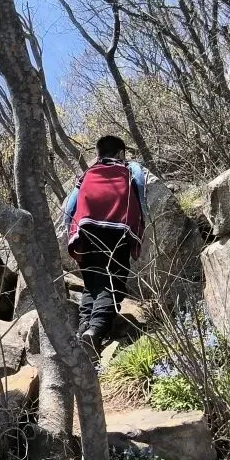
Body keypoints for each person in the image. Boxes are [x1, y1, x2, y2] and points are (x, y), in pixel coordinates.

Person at [61, 135, 147, 351]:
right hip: (116, 228)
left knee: (91, 281)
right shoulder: (130, 167)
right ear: (121, 153)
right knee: (111, 279)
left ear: (98, 154)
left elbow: (70, 205)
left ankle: (83, 328)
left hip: (85, 230)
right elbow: (139, 184)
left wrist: (70, 230)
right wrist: (142, 216)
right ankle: (96, 330)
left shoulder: (88, 174)